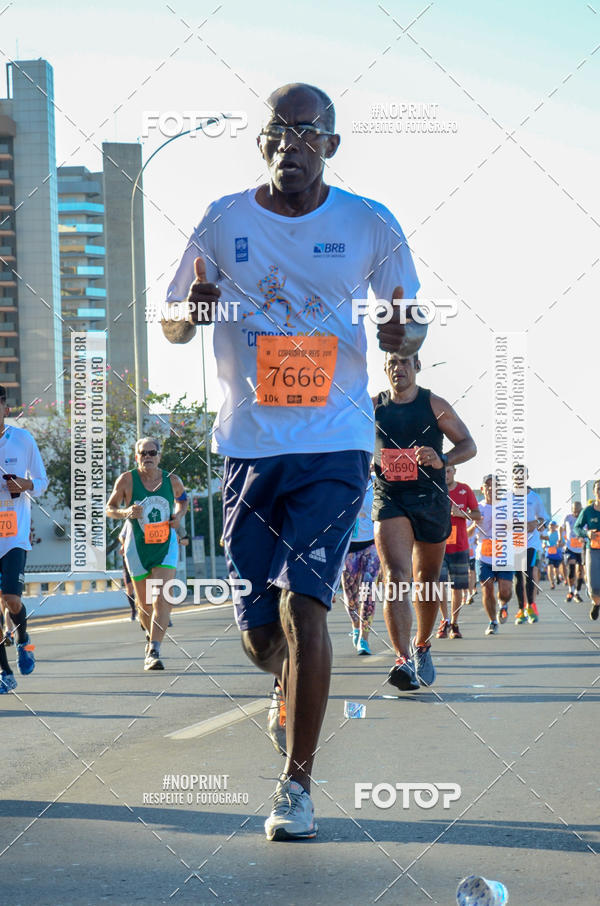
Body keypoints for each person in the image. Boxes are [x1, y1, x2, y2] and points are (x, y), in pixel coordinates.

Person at [162, 83, 421, 841]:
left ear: (331, 146)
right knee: (257, 630)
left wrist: (404, 337)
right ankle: (284, 681)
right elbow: (176, 321)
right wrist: (193, 312)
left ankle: (296, 787)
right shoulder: (223, 219)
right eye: (279, 130)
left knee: (306, 603)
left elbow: (405, 323)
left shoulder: (370, 223)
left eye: (308, 132)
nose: (292, 144)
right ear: (262, 142)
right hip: (248, 447)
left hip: (335, 446)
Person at [372, 353, 477, 690]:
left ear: (416, 366)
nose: (397, 369)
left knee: (427, 578)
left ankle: (421, 645)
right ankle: (402, 660)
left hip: (430, 501)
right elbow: (347, 442)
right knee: (396, 576)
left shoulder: (434, 404)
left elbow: (469, 445)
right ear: (385, 369)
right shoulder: (373, 406)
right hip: (389, 498)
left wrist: (441, 457)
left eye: (404, 363)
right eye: (391, 364)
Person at [106, 438, 188, 671]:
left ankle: (154, 650)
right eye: (143, 453)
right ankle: (149, 637)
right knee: (145, 605)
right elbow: (109, 508)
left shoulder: (172, 481)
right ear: (136, 457)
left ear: (159, 456)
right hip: (137, 547)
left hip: (165, 545)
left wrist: (178, 517)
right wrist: (126, 512)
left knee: (163, 597)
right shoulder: (126, 480)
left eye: (152, 452)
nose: (147, 457)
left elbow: (183, 501)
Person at [0, 386, 48, 694]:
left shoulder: (22, 439)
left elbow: (41, 482)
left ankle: (23, 639)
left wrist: (24, 483)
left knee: (10, 599)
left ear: (4, 406)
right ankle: (4, 672)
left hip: (13, 535)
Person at [435, 465, 481, 639]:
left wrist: (461, 513)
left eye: (449, 471)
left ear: (454, 471)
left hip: (460, 546)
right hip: (439, 546)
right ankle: (444, 620)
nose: (446, 474)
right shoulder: (435, 489)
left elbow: (477, 515)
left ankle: (454, 622)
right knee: (439, 585)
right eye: (443, 471)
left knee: (458, 587)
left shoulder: (464, 489)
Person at [341, 477, 380, 656]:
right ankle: (356, 627)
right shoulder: (345, 479)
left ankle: (364, 638)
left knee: (368, 593)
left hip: (371, 545)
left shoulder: (376, 483)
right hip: (348, 547)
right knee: (351, 597)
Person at [471, 474, 514, 635]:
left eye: (494, 485)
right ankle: (492, 621)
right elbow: (468, 533)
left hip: (504, 555)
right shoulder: (477, 509)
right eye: (487, 485)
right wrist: (475, 524)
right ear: (482, 489)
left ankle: (503, 604)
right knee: (487, 589)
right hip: (484, 556)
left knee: (505, 591)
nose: (491, 488)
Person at [514, 474, 548, 625]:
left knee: (528, 573)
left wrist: (536, 523)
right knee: (518, 577)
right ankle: (521, 609)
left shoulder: (535, 497)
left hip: (530, 543)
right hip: (514, 542)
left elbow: (544, 520)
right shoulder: (507, 497)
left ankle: (531, 607)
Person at [573, 481, 600, 620]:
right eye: (598, 489)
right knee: (594, 586)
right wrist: (587, 534)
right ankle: (596, 603)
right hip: (593, 550)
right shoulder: (588, 511)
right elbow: (577, 527)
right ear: (594, 492)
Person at [561, 501, 586, 603]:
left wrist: (584, 538)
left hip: (581, 548)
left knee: (580, 572)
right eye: (574, 511)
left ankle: (577, 592)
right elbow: (561, 528)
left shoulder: (584, 518)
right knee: (571, 568)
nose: (576, 514)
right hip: (570, 547)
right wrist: (560, 538)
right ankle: (570, 591)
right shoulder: (567, 518)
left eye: (578, 511)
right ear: (572, 510)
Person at [544, 521, 563, 590]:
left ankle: (557, 577)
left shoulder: (558, 534)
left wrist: (558, 545)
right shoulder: (546, 534)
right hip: (549, 554)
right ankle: (552, 583)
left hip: (557, 554)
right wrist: (544, 545)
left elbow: (563, 543)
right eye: (550, 525)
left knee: (556, 569)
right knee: (550, 567)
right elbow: (544, 543)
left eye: (553, 525)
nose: (551, 526)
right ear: (548, 526)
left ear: (555, 526)